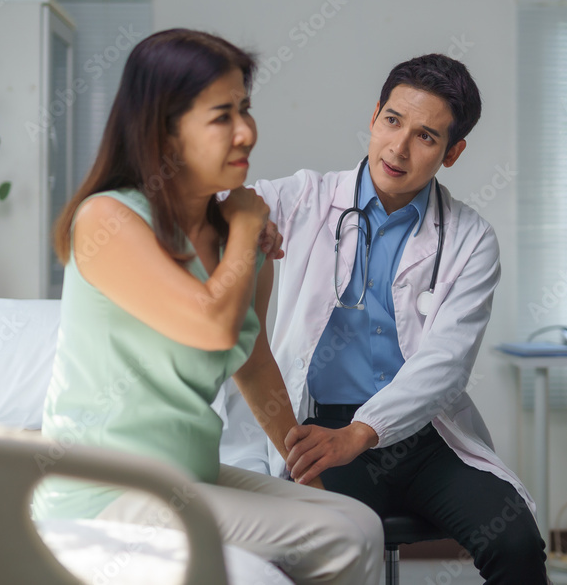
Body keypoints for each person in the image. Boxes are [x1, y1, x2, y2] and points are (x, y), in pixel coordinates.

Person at [34, 28, 383, 585]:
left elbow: (253, 362)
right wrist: (245, 226)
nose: (247, 132)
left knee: (357, 521)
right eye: (223, 116)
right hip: (107, 489)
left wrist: (306, 476)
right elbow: (212, 327)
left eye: (246, 108)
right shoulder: (107, 219)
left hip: (187, 477)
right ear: (164, 130)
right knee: (337, 536)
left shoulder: (236, 244)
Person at [220, 54, 549, 584]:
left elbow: (445, 363)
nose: (398, 148)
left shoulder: (470, 239)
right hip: (322, 429)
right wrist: (247, 218)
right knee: (315, 552)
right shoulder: (307, 198)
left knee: (516, 542)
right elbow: (211, 205)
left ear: (453, 152)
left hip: (425, 434)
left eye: (426, 137)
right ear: (374, 116)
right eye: (393, 121)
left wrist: (363, 432)